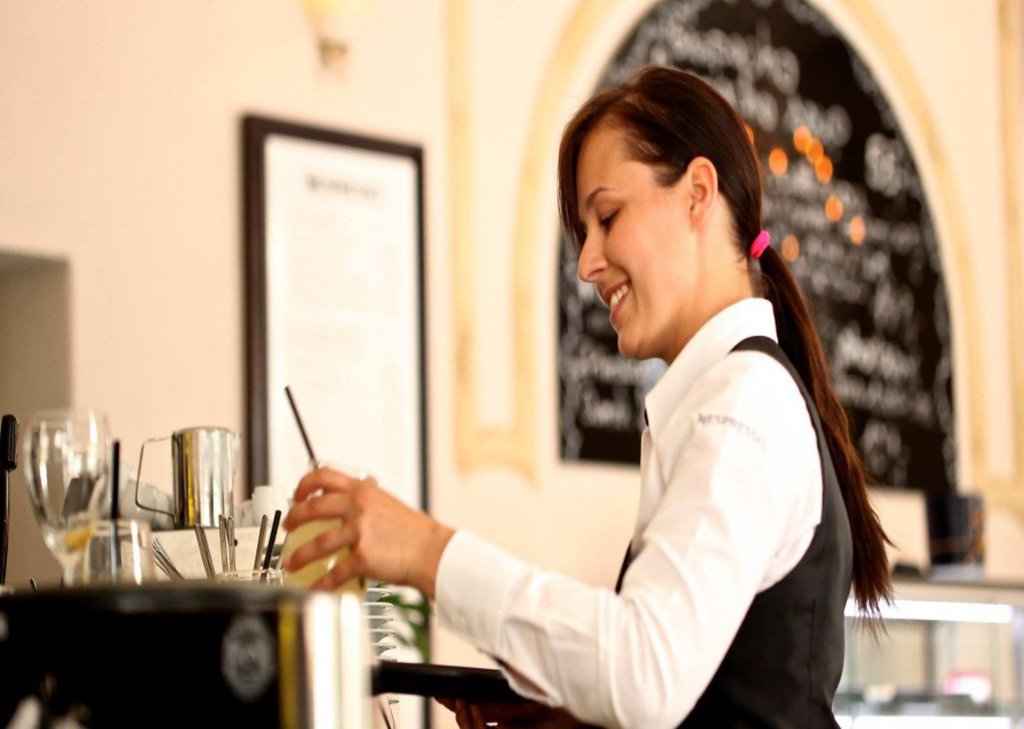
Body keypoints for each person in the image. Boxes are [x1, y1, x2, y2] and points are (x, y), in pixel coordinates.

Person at [282, 66, 892, 728]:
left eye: (607, 216)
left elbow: (645, 671)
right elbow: (700, 684)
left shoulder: (744, 400)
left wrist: (426, 550)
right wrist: (568, 716)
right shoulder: (727, 396)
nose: (585, 263)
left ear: (697, 193)